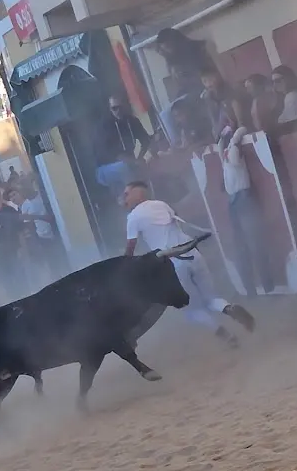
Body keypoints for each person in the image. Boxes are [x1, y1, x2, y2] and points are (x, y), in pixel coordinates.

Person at [123, 180, 255, 348]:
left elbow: (130, 248)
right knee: (212, 298)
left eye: (127, 194)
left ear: (137, 193)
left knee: (191, 312)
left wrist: (124, 268)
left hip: (174, 265)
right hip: (194, 255)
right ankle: (229, 309)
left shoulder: (133, 217)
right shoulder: (161, 205)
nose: (124, 198)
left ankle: (227, 336)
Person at [218, 126, 274, 298]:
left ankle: (264, 285)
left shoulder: (233, 151)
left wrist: (234, 137)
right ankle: (255, 287)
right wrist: (228, 136)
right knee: (243, 245)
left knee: (252, 244)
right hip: (237, 200)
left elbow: (239, 135)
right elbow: (222, 145)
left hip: (242, 199)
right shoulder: (227, 151)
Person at [95, 95, 152, 198]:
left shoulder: (132, 121)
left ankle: (151, 198)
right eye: (114, 108)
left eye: (120, 107)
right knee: (124, 168)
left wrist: (140, 157)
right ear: (110, 109)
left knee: (146, 165)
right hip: (104, 169)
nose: (118, 111)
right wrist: (133, 161)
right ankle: (133, 200)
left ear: (125, 106)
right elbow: (109, 152)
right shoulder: (105, 126)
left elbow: (146, 140)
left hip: (128, 162)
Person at [155, 27, 216, 99]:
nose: (166, 52)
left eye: (168, 47)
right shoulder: (171, 63)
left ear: (178, 41)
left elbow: (213, 75)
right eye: (163, 49)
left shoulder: (202, 49)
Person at [21, 180, 59, 283]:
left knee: (59, 259)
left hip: (55, 233)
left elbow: (51, 217)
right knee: (52, 264)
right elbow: (29, 225)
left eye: (24, 190)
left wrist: (33, 217)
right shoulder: (25, 205)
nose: (23, 193)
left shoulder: (43, 196)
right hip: (42, 237)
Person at [200, 67, 243, 142]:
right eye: (205, 81)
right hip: (222, 131)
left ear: (217, 77)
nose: (208, 84)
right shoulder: (208, 97)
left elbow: (236, 106)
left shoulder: (228, 89)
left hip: (235, 127)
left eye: (210, 80)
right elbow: (212, 118)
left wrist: (240, 125)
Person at [271, 65, 297, 130]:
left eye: (278, 81)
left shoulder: (292, 97)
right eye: (273, 82)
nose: (275, 85)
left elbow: (294, 125)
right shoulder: (289, 96)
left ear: (288, 79)